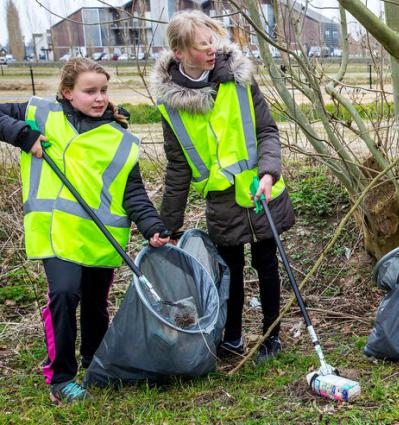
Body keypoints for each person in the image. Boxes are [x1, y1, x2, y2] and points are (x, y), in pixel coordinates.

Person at [0, 58, 170, 404]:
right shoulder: (42, 115)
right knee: (64, 295)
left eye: (103, 91)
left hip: (98, 238)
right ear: (67, 93)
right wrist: (23, 135)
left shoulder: (119, 138)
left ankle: (96, 364)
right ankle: (61, 377)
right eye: (89, 91)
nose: (99, 98)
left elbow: (132, 191)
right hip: (55, 233)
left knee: (95, 305)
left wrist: (151, 225)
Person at [151, 11, 295, 363]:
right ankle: (231, 337)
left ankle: (271, 336)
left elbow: (267, 131)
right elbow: (178, 169)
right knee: (228, 270)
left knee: (267, 264)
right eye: (202, 46)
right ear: (180, 53)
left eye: (212, 40)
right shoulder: (172, 106)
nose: (211, 50)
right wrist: (167, 226)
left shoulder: (239, 80)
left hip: (260, 192)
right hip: (221, 201)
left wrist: (269, 172)